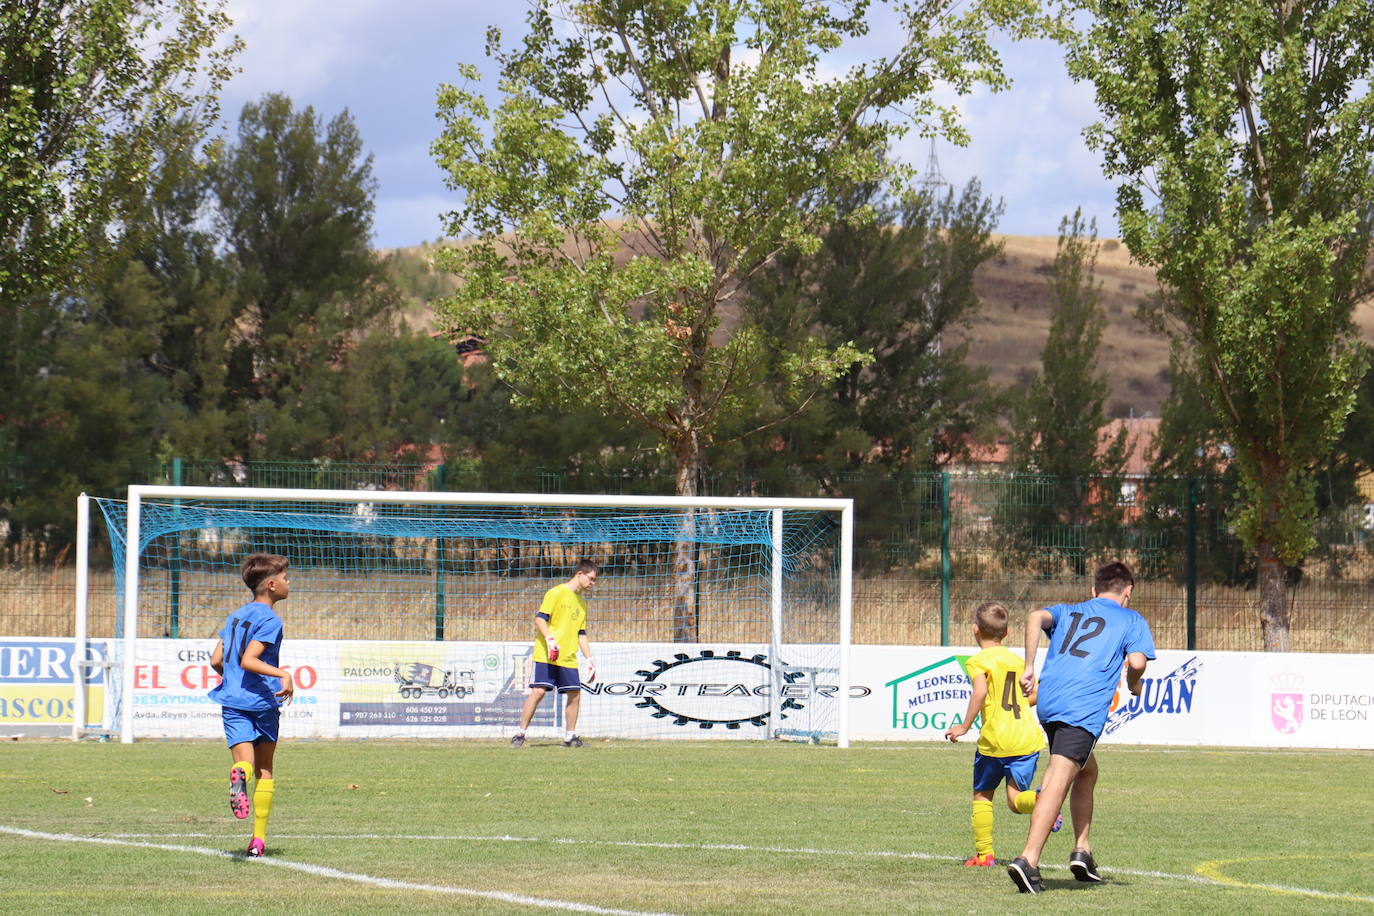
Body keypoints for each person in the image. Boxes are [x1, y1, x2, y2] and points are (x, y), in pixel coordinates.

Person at [1006, 561, 1155, 894]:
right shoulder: (1132, 619)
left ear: (1094, 590)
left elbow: (1034, 617)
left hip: (1050, 702)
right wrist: (1134, 684)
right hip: (1081, 707)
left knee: (1086, 771)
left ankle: (1082, 850)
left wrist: (1029, 666)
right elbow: (1138, 662)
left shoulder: (1070, 610)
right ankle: (1028, 859)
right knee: (1059, 778)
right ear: (1128, 591)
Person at [945, 601, 1058, 867]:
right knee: (1016, 800)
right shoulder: (1018, 661)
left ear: (974, 629)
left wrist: (963, 726)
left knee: (982, 795)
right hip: (1025, 739)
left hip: (995, 740)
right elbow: (1034, 695)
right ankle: (1043, 803)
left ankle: (985, 856)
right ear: (1006, 633)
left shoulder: (978, 661)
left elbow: (980, 692)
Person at [208, 553, 295, 859]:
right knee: (265, 770)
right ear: (271, 585)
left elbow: (217, 660)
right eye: (285, 578)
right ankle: (257, 840)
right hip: (262, 702)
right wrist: (283, 673)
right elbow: (250, 660)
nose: (288, 582)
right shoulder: (271, 620)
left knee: (243, 766)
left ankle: (239, 775)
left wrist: (230, 680)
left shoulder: (235, 616)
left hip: (232, 701)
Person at [510, 559, 599, 748]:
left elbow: (581, 634)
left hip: (568, 657)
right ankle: (520, 734)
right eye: (591, 579)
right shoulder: (557, 592)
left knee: (575, 693)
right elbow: (540, 619)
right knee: (538, 692)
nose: (593, 583)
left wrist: (589, 659)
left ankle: (570, 736)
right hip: (547, 654)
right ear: (580, 574)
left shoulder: (582, 604)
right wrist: (550, 640)